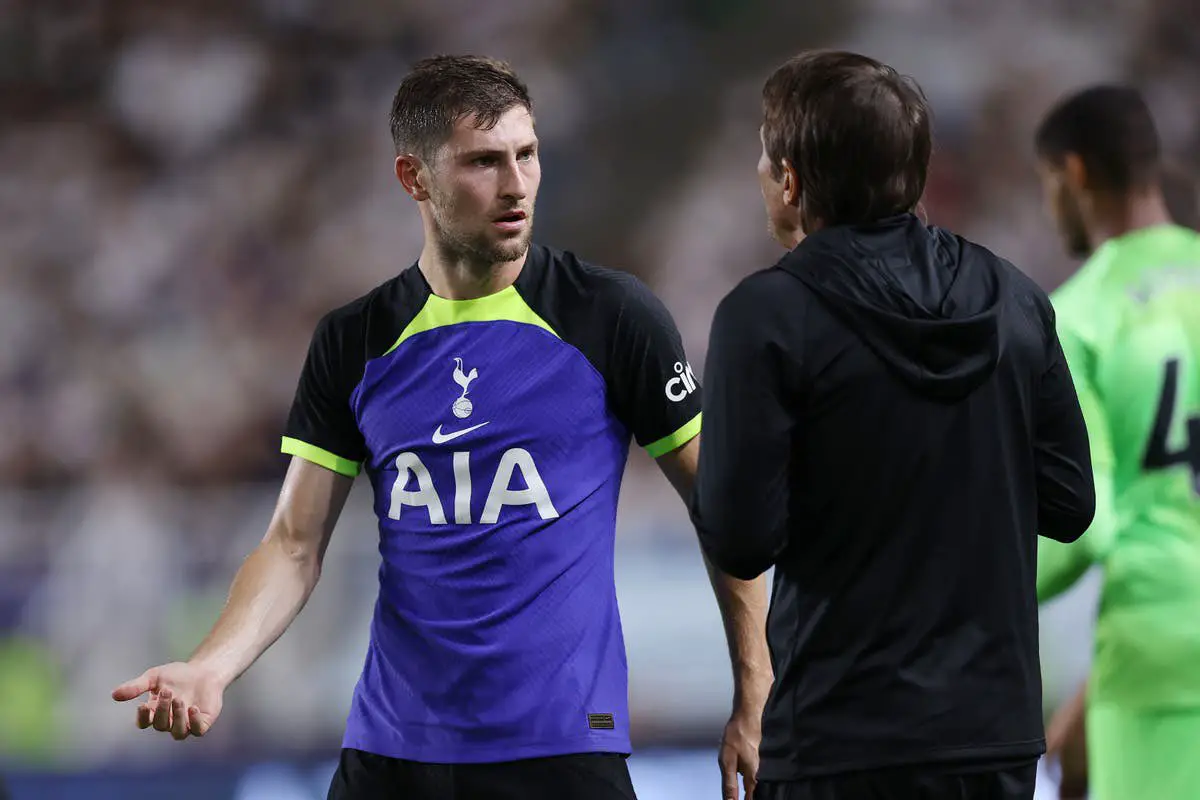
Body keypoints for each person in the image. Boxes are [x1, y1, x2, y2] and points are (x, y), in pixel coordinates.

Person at [111, 55, 771, 800]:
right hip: (394, 755)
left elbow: (722, 505)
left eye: (527, 155)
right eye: (483, 163)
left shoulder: (610, 316)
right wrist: (210, 666)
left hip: (559, 753)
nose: (517, 184)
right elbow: (294, 545)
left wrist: (755, 685)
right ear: (413, 178)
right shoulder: (356, 340)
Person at [691, 49, 1096, 800]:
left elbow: (740, 538)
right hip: (993, 738)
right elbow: (1071, 505)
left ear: (791, 179)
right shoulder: (1014, 300)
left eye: (762, 154)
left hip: (840, 737)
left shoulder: (766, 316)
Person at [1033, 84, 1200, 800]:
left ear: (1073, 174)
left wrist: (972, 586)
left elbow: (1089, 528)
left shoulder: (1081, 313)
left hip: (1158, 650)